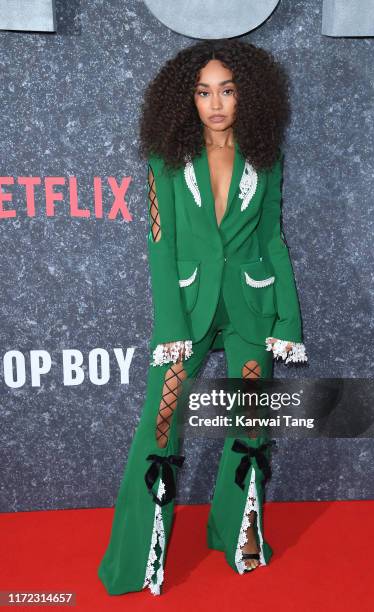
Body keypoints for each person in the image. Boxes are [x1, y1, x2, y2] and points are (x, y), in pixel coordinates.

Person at [97, 38, 308, 597]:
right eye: (203, 91)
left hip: (250, 305)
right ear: (185, 99)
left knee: (252, 422)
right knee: (161, 426)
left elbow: (273, 239)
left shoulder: (266, 157)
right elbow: (159, 246)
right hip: (187, 310)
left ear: (248, 96)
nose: (215, 103)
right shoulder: (164, 160)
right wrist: (169, 327)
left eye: (228, 90)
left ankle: (238, 531)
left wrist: (287, 321)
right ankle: (140, 556)